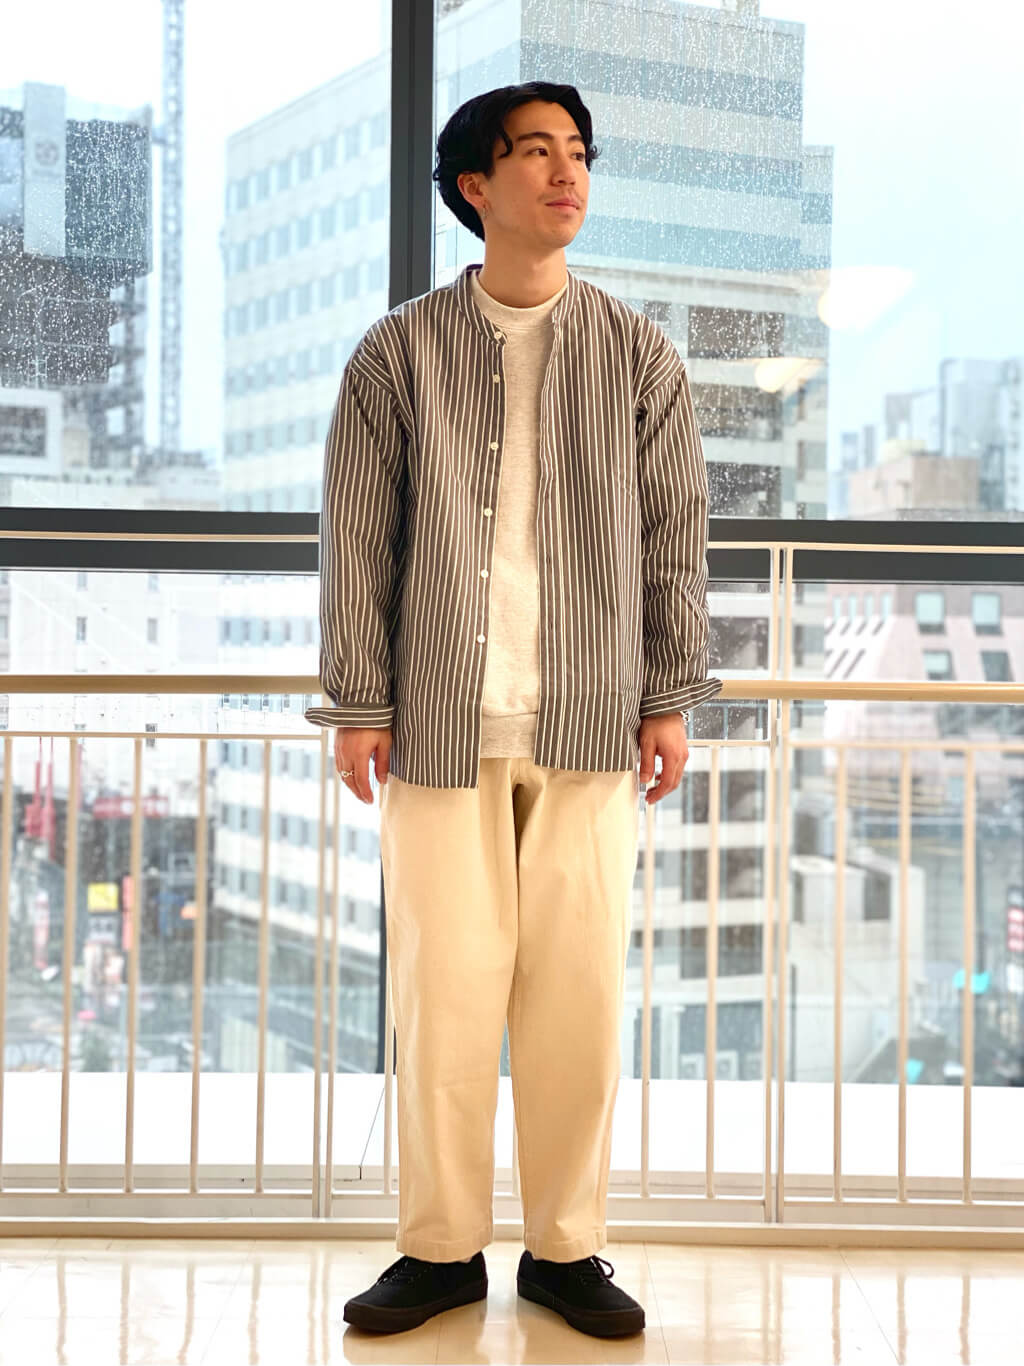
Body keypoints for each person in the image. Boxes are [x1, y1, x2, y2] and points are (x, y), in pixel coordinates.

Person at [304, 80, 721, 1339]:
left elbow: (673, 536)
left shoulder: (638, 353)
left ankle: (565, 1249)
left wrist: (668, 693)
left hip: (592, 719)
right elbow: (356, 538)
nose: (566, 172)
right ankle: (438, 1250)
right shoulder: (396, 354)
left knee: (576, 998)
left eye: (578, 152)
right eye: (536, 151)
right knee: (444, 995)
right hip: (440, 717)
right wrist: (359, 699)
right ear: (474, 185)